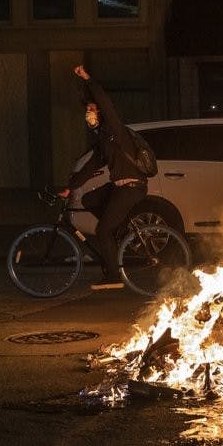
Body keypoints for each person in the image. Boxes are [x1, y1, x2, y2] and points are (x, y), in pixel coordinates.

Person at [58, 65, 149, 290]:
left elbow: (105, 102)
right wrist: (70, 188)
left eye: (91, 109)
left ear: (100, 113)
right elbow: (89, 168)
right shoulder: (104, 141)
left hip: (132, 187)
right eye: (87, 110)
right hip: (119, 187)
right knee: (89, 200)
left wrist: (88, 79)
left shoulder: (116, 130)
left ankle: (113, 277)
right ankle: (117, 228)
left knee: (102, 231)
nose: (88, 114)